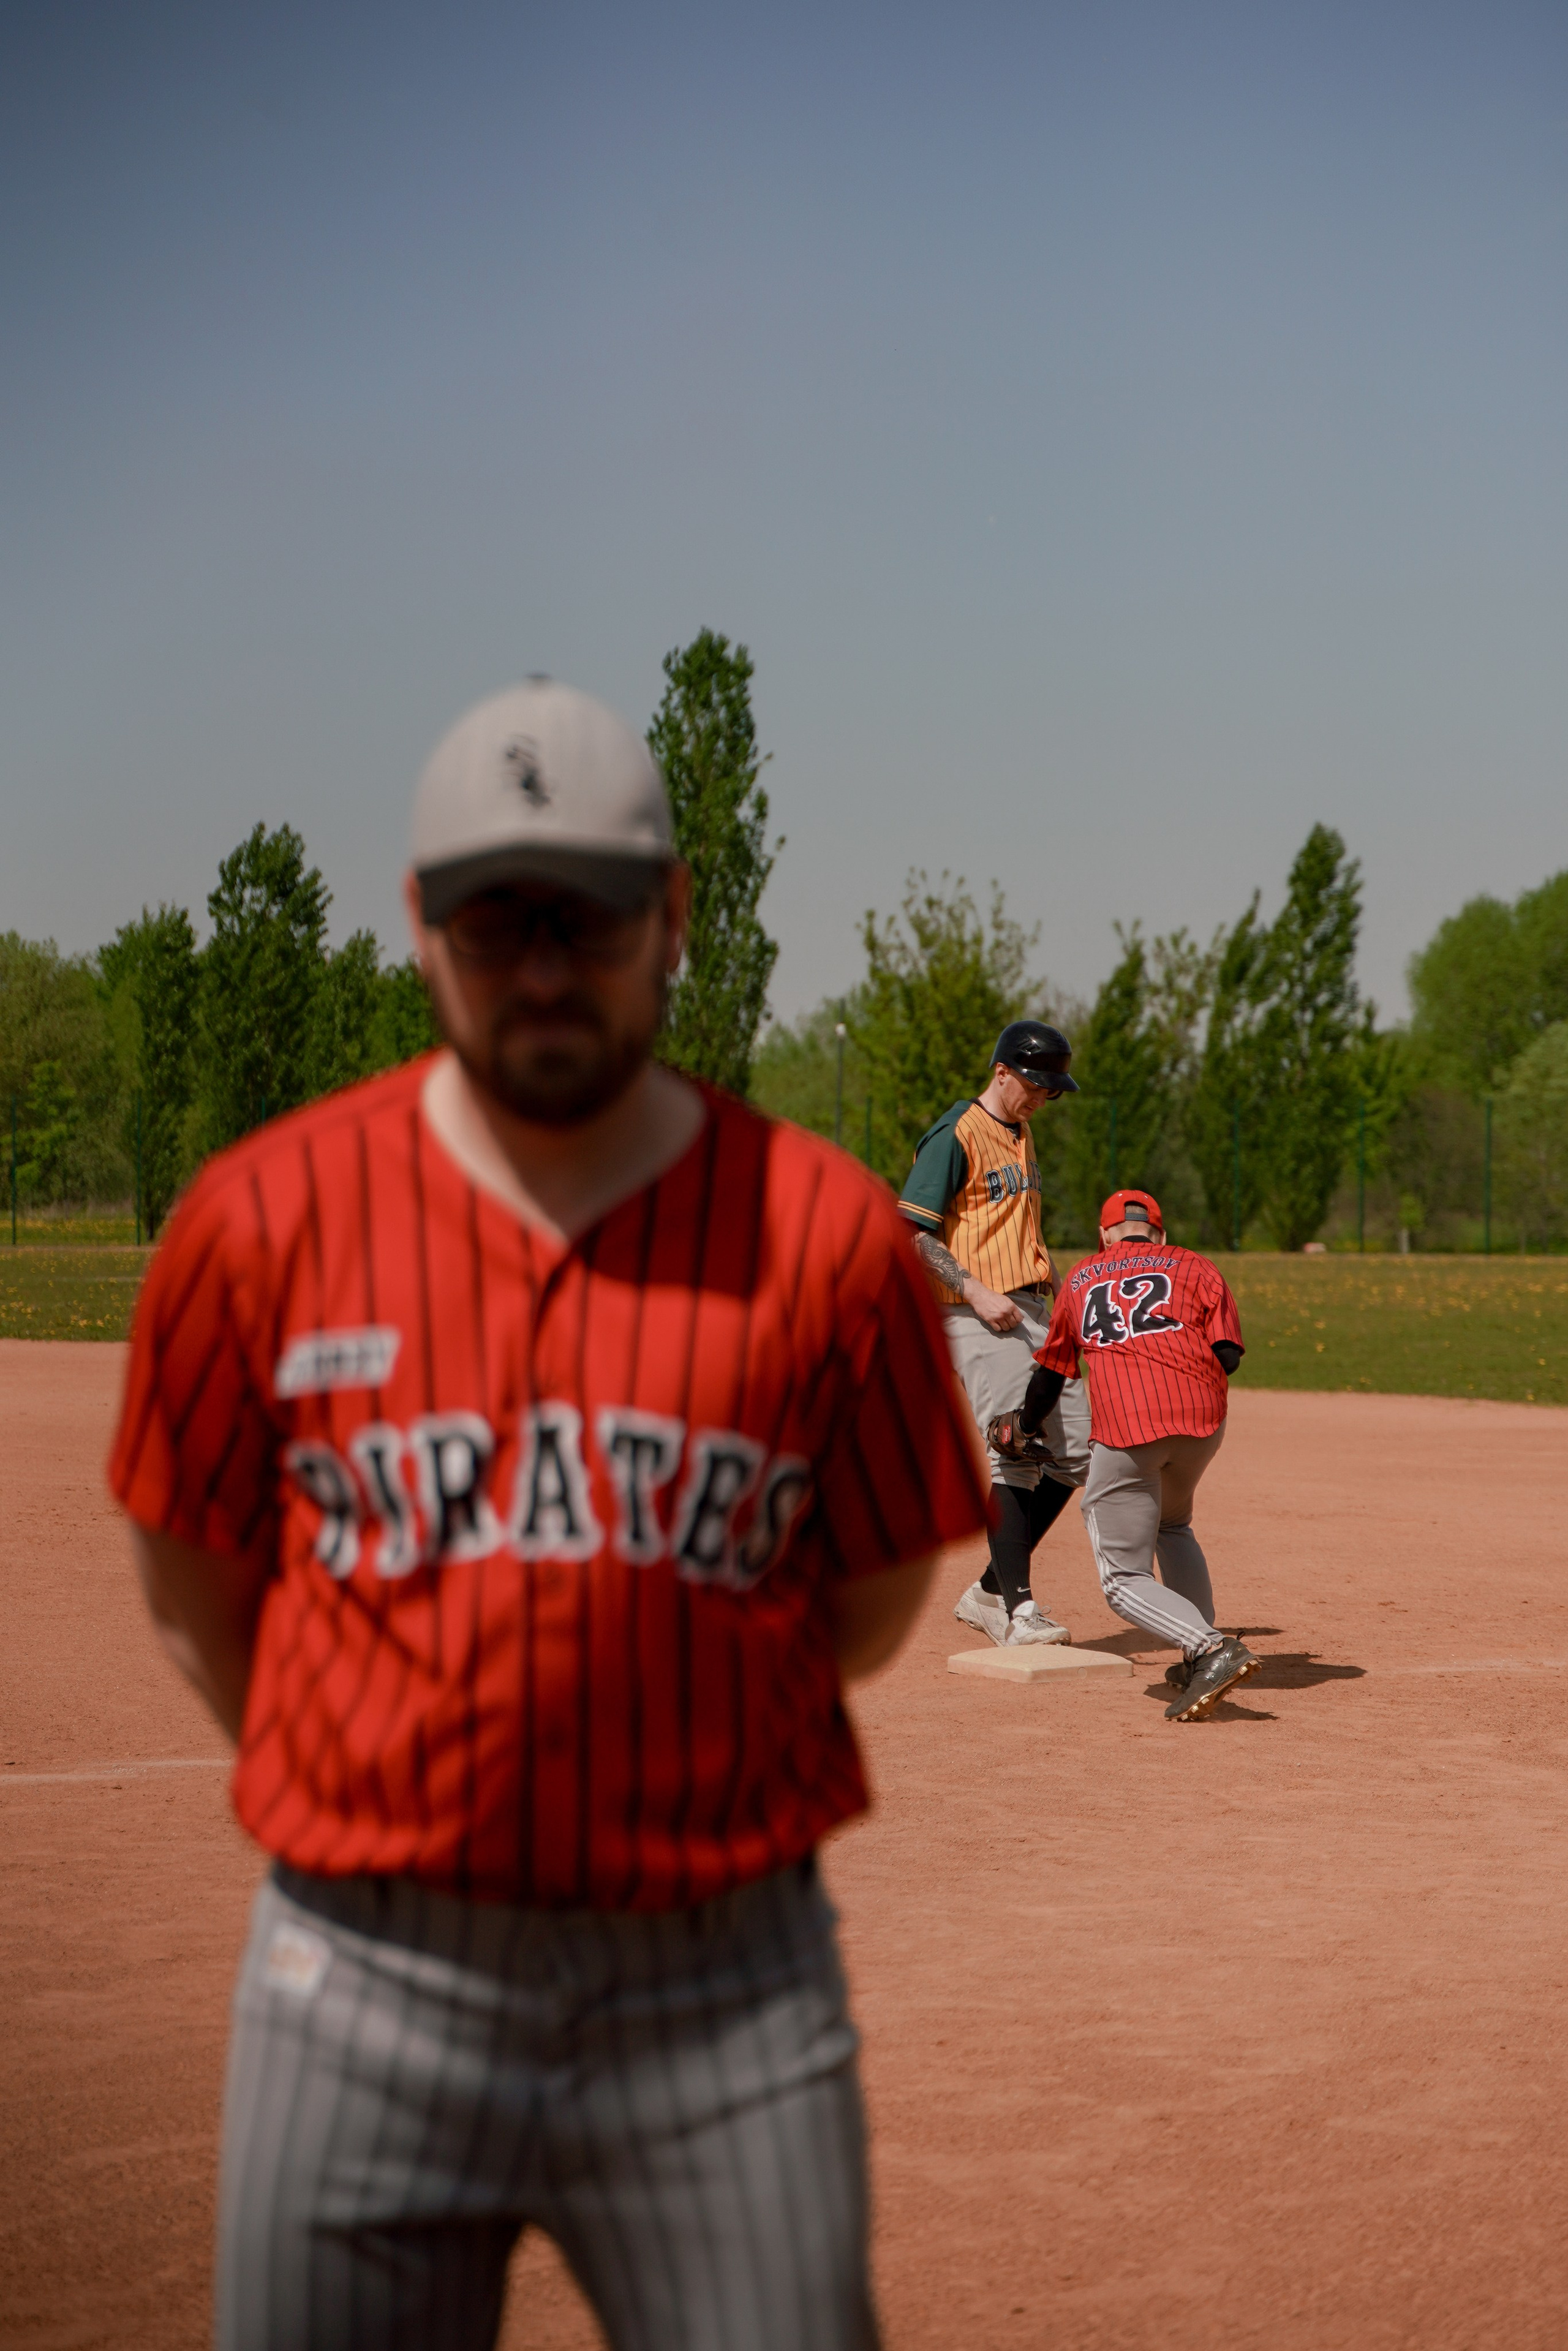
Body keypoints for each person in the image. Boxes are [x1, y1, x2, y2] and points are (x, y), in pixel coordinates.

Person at [109, 679, 990, 2351]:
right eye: (488, 916)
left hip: (723, 1990)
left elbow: (871, 1590)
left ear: (670, 915)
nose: (536, 967)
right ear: (418, 922)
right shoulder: (259, 1220)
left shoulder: (820, 1232)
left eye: (582, 916)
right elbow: (194, 1589)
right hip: (361, 1978)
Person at [995, 1187, 1259, 1721]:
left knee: (1122, 1580)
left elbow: (1052, 1374)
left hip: (1129, 1429)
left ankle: (1210, 1650)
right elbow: (1227, 1356)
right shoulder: (1196, 1266)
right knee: (1172, 1523)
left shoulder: (1083, 1277)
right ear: (1160, 1234)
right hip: (1203, 1423)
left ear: (1105, 1234)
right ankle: (1195, 1653)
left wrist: (1023, 1426)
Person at [897, 1024, 1089, 1647]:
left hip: (1033, 1309)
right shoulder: (957, 1132)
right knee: (1015, 1447)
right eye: (1035, 1086)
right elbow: (914, 1232)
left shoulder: (1019, 1131)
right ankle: (1018, 1611)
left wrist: (1054, 1283)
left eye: (1050, 1092)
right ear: (1002, 1071)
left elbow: (1014, 1224)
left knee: (1079, 1450)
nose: (1041, 1099)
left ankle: (987, 1591)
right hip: (978, 1312)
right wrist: (977, 1291)